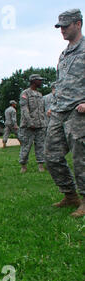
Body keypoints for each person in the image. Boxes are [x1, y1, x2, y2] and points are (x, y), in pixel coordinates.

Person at [45, 9, 85, 218]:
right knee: (50, 155)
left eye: (66, 26)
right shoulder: (64, 53)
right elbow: (60, 83)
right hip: (60, 110)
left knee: (81, 158)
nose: (62, 30)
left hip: (79, 112)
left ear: (78, 24)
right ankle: (70, 195)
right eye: (60, 26)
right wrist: (54, 102)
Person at [18, 74, 47, 173]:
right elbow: (24, 109)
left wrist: (44, 122)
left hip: (40, 124)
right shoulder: (25, 93)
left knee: (40, 145)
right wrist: (30, 122)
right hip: (28, 126)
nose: (41, 82)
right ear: (33, 81)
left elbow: (42, 110)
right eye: (39, 80)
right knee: (26, 146)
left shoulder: (40, 94)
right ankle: (23, 165)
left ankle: (41, 165)